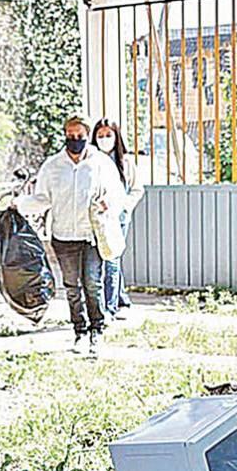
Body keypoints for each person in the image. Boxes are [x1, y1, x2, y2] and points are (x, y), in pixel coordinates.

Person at [12, 115, 123, 354]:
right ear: (65, 135)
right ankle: (79, 332)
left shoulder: (100, 163)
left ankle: (98, 329)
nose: (75, 140)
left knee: (92, 283)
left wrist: (108, 203)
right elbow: (42, 198)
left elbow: (116, 193)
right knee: (72, 286)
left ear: (86, 135)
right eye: (70, 136)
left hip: (92, 234)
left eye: (80, 136)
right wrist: (19, 205)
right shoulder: (53, 166)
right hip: (63, 236)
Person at [91, 118, 143, 320]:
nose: (104, 139)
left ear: (116, 136)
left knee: (112, 259)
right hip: (99, 218)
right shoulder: (92, 161)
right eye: (100, 136)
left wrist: (123, 207)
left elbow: (137, 190)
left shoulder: (126, 162)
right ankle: (122, 300)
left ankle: (109, 308)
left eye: (108, 135)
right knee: (105, 258)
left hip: (119, 218)